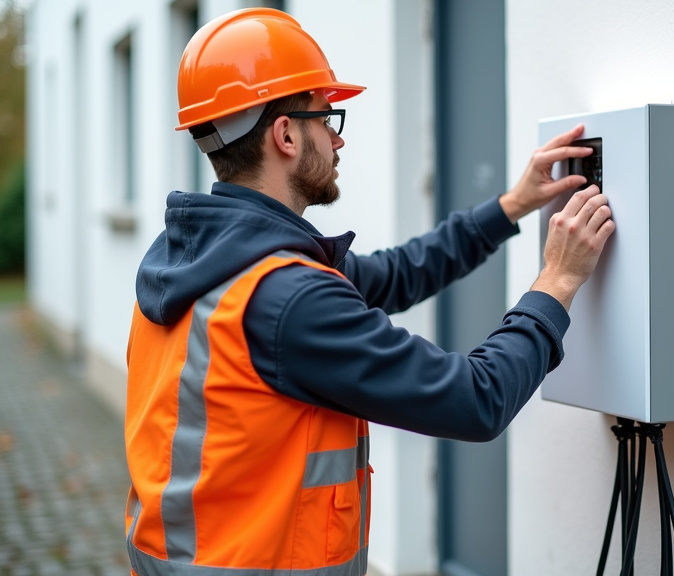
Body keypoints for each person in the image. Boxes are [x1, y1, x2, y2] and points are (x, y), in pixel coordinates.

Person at [123, 8, 614, 576]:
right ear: (285, 134)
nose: (337, 138)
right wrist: (557, 280)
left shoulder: (194, 257)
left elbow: (397, 273)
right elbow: (477, 399)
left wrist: (510, 207)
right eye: (326, 117)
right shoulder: (286, 297)